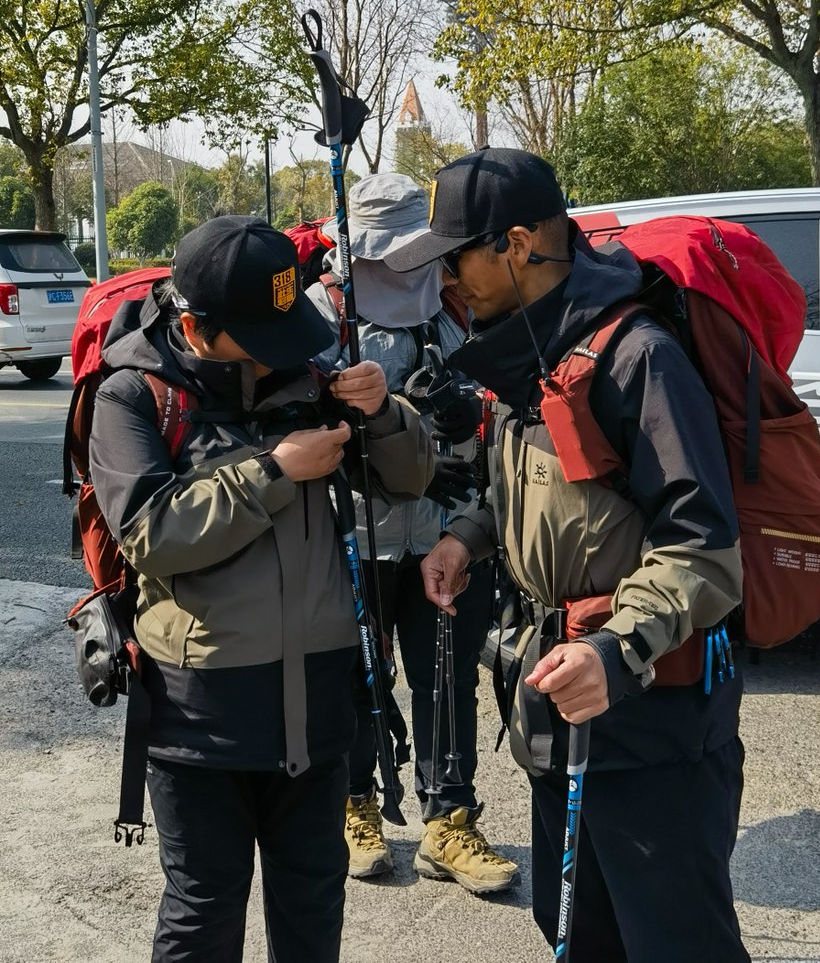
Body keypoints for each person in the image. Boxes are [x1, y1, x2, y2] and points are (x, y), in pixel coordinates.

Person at [385, 149, 751, 962]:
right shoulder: (532, 348)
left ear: (517, 244)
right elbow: (536, 489)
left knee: (675, 943)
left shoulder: (636, 355)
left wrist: (616, 652)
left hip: (648, 725)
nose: (445, 280)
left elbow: (705, 551)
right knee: (574, 932)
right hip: (552, 705)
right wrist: (467, 537)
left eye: (455, 256)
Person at [88, 215, 432, 963]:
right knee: (203, 914)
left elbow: (407, 483)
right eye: (258, 332)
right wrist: (274, 473)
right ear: (194, 325)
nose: (284, 351)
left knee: (313, 902)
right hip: (197, 714)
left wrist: (384, 413)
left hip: (319, 702)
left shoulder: (308, 378)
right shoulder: (132, 397)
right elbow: (151, 533)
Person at [307, 172, 519, 895]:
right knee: (349, 679)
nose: (408, 269)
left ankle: (447, 821)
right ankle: (353, 804)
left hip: (442, 533)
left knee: (449, 676)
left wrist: (466, 412)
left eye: (416, 253)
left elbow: (500, 414)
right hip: (342, 538)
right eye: (389, 255)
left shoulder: (457, 303)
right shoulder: (317, 313)